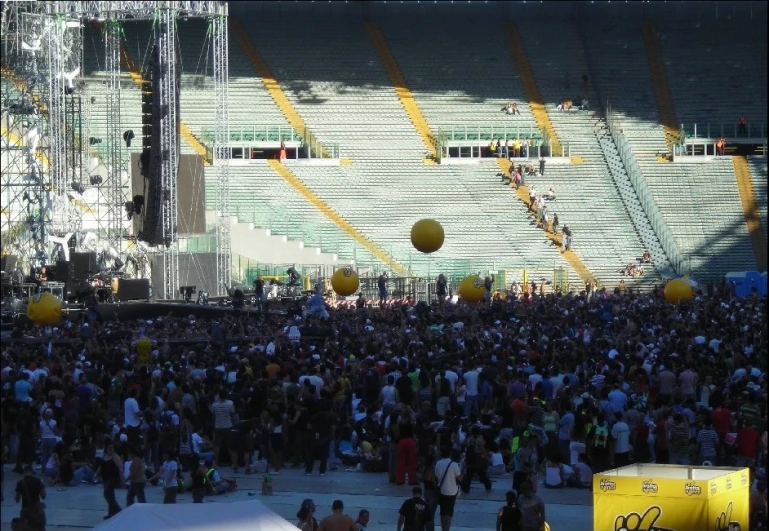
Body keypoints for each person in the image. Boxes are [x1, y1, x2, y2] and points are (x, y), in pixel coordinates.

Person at [434, 446, 462, 531]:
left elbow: (436, 477)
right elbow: (459, 479)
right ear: (450, 454)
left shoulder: (438, 463)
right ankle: (447, 529)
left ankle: (443, 529)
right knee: (449, 513)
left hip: (441, 491)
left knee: (443, 512)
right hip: (452, 491)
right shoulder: (454, 465)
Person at [95, 440, 123, 519]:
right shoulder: (105, 456)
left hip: (113, 479)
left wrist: (122, 480)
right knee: (111, 496)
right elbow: (101, 467)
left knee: (107, 494)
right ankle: (112, 512)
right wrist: (96, 474)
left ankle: (117, 509)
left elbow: (120, 468)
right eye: (109, 448)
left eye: (112, 448)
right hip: (105, 478)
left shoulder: (115, 457)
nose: (110, 449)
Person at [15, 465, 46, 531]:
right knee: (40, 527)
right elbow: (43, 496)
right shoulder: (38, 481)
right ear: (32, 472)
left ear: (24, 472)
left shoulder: (20, 482)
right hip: (37, 510)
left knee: (24, 528)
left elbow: (17, 499)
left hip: (25, 509)